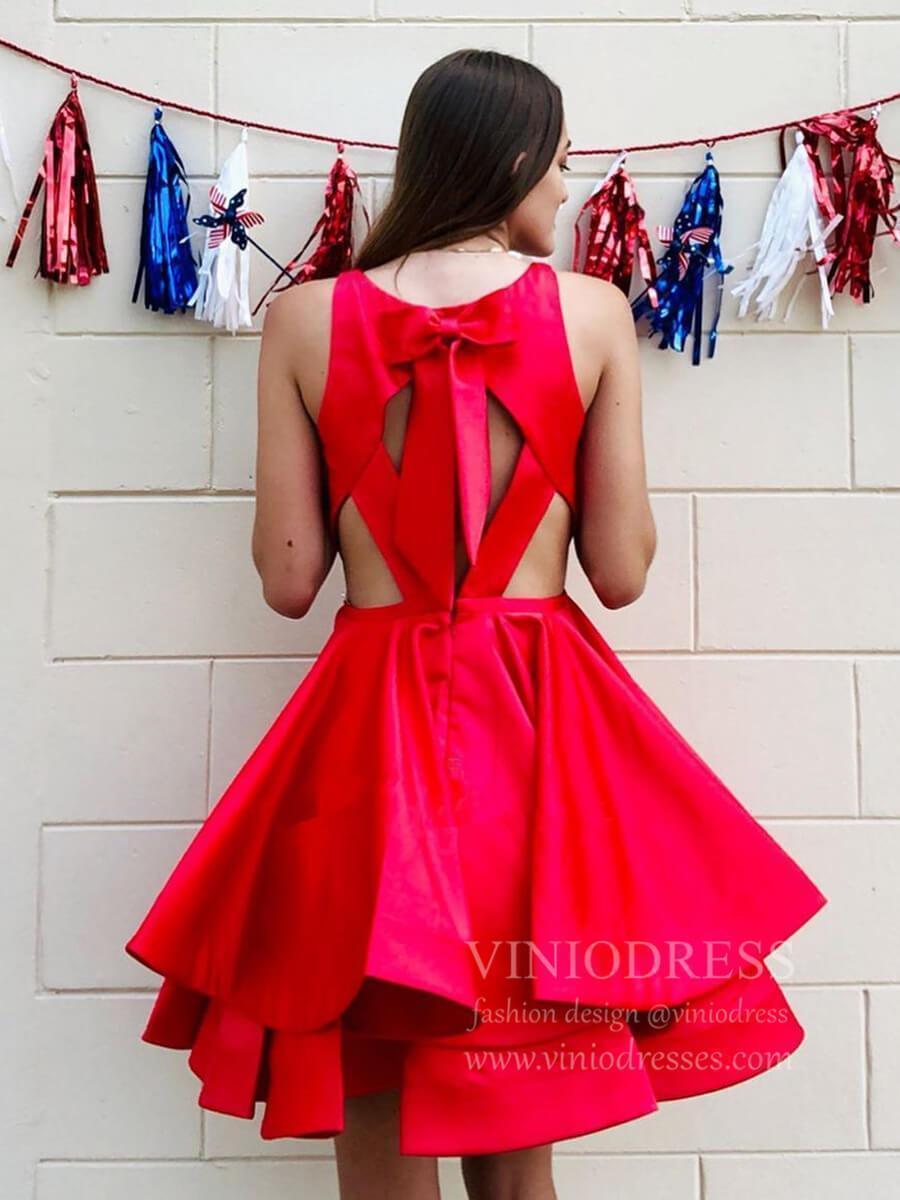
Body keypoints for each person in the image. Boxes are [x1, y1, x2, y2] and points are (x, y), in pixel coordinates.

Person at [125, 48, 828, 1200]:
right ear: (511, 162)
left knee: (370, 1109)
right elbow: (621, 571)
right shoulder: (591, 315)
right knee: (518, 1145)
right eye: (560, 163)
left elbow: (290, 580)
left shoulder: (303, 319)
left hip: (368, 745)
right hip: (538, 745)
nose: (567, 185)